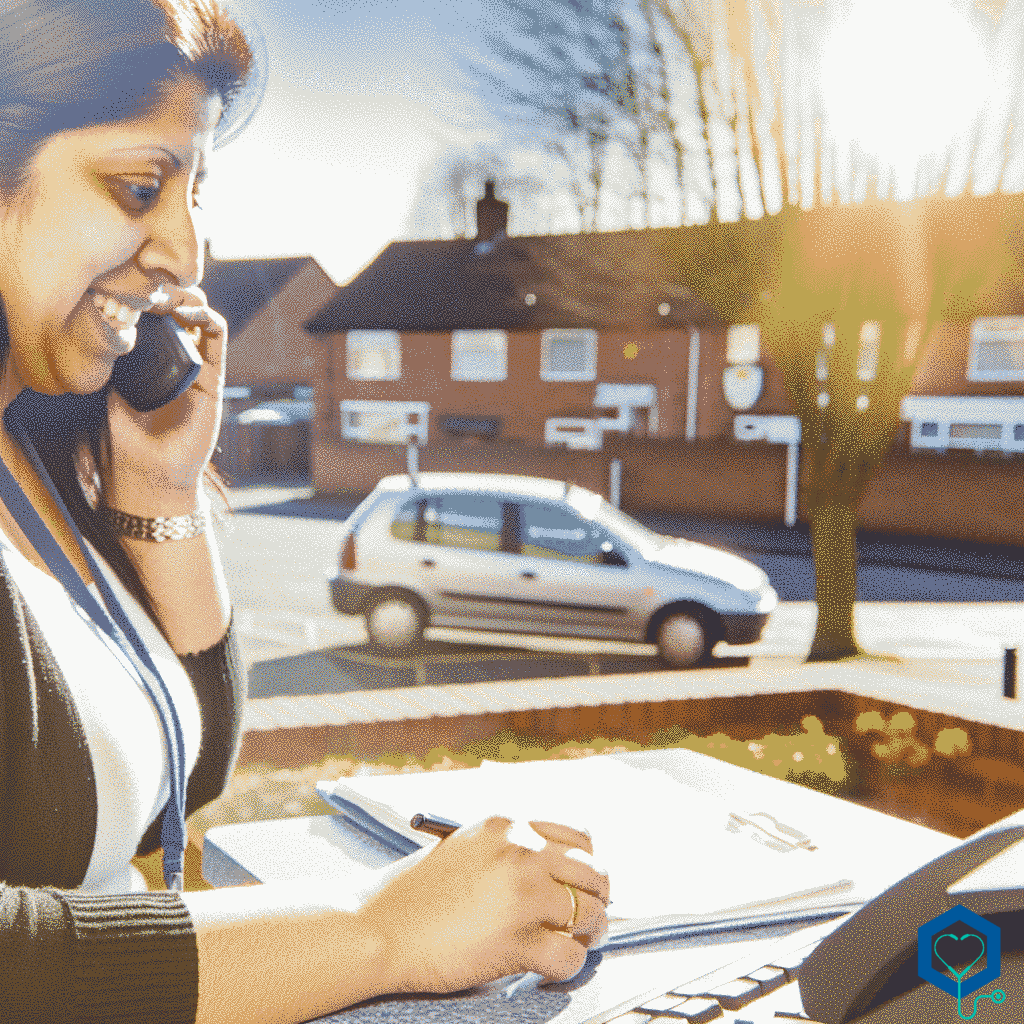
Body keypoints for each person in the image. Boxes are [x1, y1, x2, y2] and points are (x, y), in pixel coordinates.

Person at [0, 2, 610, 1022]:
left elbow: (190, 767)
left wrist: (161, 488)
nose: (186, 254)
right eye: (139, 187)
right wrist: (383, 930)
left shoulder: (37, 451)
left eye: (194, 194)